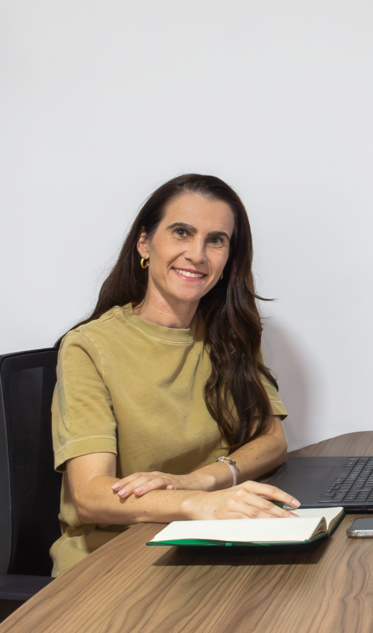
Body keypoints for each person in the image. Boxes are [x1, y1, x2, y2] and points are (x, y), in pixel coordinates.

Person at [50, 174, 300, 577]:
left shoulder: (231, 333)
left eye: (215, 240)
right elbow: (90, 495)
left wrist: (201, 482)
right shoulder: (89, 347)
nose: (197, 255)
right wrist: (194, 502)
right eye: (181, 232)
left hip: (207, 542)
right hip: (111, 560)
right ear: (144, 243)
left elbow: (272, 440)